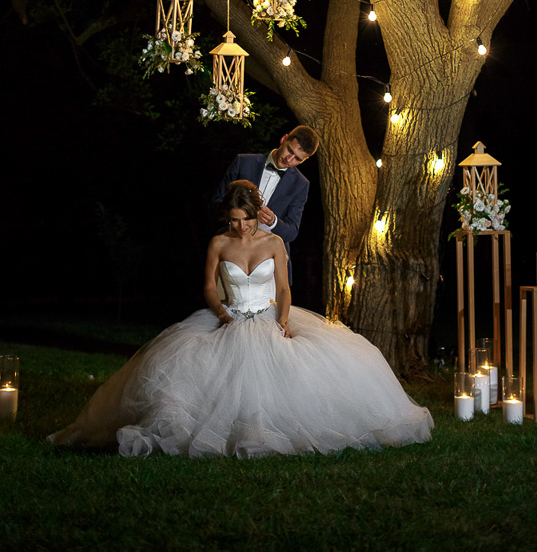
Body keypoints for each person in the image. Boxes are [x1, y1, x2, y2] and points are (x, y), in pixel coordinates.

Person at [48, 181, 433, 457]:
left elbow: (283, 288)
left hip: (268, 316)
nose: (241, 227)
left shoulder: (274, 243)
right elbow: (211, 288)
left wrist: (283, 320)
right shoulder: (219, 243)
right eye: (233, 220)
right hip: (229, 318)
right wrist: (220, 313)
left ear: (256, 215)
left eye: (246, 220)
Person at [211, 125, 319, 280]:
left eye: (297, 159)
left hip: (271, 265)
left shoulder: (301, 184)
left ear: (305, 160)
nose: (289, 159)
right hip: (231, 254)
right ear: (284, 139)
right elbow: (216, 204)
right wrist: (239, 215)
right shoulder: (243, 162)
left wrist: (274, 222)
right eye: (289, 150)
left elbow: (292, 232)